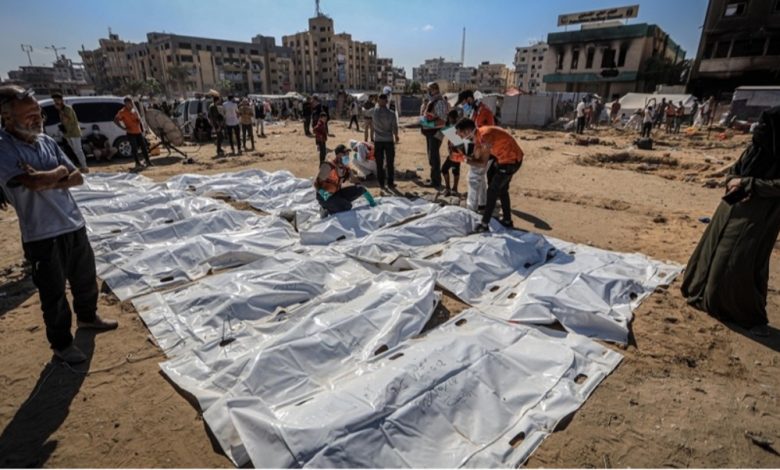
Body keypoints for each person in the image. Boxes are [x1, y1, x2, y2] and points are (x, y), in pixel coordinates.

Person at [0, 85, 118, 364]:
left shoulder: (46, 142)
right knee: (53, 292)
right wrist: (56, 174)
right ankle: (62, 344)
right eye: (29, 115)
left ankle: (87, 317)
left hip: (72, 222)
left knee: (85, 277)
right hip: (41, 232)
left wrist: (51, 176)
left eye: (38, 113)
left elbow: (76, 176)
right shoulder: (3, 147)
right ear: (7, 118)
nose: (37, 119)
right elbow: (32, 183)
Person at [681, 107, 780, 337]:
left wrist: (750, 185)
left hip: (758, 215)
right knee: (713, 253)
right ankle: (703, 294)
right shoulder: (756, 148)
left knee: (738, 262)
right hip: (731, 207)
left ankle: (741, 311)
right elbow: (737, 168)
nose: (760, 131)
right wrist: (733, 182)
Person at [456, 118, 524, 233]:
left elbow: (482, 163)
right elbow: (477, 157)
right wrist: (465, 156)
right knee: (502, 190)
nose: (460, 137)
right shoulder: (479, 135)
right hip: (508, 159)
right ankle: (507, 221)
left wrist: (464, 159)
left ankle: (484, 224)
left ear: (467, 131)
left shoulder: (484, 136)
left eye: (460, 134)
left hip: (511, 160)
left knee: (492, 191)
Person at [314, 143, 376, 216]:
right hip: (325, 197)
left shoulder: (345, 169)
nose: (347, 156)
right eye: (345, 154)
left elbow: (354, 179)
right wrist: (323, 193)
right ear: (338, 155)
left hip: (336, 193)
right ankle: (325, 208)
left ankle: (339, 203)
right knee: (346, 207)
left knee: (360, 189)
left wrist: (363, 188)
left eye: (348, 154)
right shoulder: (328, 166)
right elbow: (316, 183)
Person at [420, 82, 449, 189]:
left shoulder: (440, 102)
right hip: (431, 133)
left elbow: (443, 121)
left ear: (435, 90)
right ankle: (434, 178)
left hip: (436, 133)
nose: (428, 92)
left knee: (434, 157)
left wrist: (428, 124)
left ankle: (436, 181)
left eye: (429, 90)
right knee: (431, 157)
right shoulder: (432, 101)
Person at [51, 93, 88, 173]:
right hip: (68, 133)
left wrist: (60, 110)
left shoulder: (67, 109)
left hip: (74, 132)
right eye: (54, 101)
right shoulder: (60, 110)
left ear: (61, 100)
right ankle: (82, 166)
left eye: (57, 100)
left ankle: (85, 167)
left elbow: (66, 120)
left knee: (78, 150)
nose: (56, 102)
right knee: (75, 151)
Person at [114, 96, 152, 169]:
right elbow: (115, 120)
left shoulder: (133, 110)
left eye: (131, 103)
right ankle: (137, 163)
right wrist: (123, 128)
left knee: (144, 147)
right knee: (134, 149)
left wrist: (138, 121)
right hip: (131, 133)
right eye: (129, 103)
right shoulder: (122, 112)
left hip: (138, 132)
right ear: (125, 104)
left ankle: (148, 161)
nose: (130, 104)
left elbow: (137, 119)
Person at [372, 93, 400, 190]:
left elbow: (365, 113)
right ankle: (390, 183)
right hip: (388, 140)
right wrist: (396, 136)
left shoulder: (374, 112)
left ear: (378, 101)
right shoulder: (391, 113)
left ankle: (381, 183)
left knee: (379, 163)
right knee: (390, 162)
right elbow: (395, 127)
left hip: (378, 141)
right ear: (387, 101)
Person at [441, 109, 463, 196]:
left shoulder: (457, 126)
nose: (449, 119)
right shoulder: (453, 125)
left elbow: (458, 141)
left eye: (450, 117)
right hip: (454, 151)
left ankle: (450, 189)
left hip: (456, 152)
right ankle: (452, 189)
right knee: (454, 170)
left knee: (445, 169)